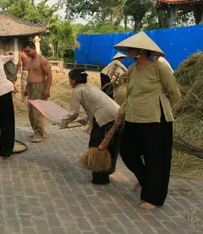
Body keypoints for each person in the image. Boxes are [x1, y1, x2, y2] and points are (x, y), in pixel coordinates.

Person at [114, 31, 181, 210]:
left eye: (130, 49)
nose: (128, 51)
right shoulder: (132, 69)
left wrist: (164, 111)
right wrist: (120, 114)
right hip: (134, 118)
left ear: (141, 51)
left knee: (156, 160)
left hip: (156, 121)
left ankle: (154, 198)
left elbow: (174, 93)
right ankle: (147, 181)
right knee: (127, 151)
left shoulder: (159, 68)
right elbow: (130, 96)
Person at [61, 69, 122, 185]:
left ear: (73, 80)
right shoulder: (90, 87)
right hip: (118, 115)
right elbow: (94, 106)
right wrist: (85, 119)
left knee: (96, 147)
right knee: (112, 146)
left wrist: (63, 122)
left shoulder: (77, 90)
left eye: (69, 78)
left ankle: (100, 178)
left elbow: (74, 113)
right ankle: (108, 171)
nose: (69, 81)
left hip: (105, 119)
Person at [22, 40, 52, 143]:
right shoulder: (29, 61)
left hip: (40, 87)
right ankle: (37, 131)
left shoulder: (42, 60)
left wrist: (47, 89)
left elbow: (49, 75)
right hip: (31, 87)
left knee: (37, 111)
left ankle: (40, 134)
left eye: (28, 51)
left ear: (34, 48)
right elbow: (29, 76)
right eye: (25, 52)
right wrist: (26, 88)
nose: (27, 54)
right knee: (31, 112)